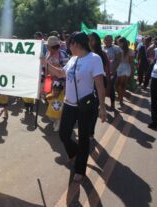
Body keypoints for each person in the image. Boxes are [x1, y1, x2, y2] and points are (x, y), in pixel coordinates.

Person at [46, 32, 106, 182]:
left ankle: (80, 169)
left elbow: (99, 84)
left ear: (76, 44)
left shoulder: (94, 59)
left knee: (84, 139)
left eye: (69, 44)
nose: (67, 47)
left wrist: (102, 107)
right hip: (69, 104)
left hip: (85, 106)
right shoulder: (72, 59)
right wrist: (45, 64)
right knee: (64, 134)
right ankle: (75, 153)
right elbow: (61, 73)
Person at [89, 32, 110, 139]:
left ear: (97, 41)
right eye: (89, 39)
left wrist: (107, 85)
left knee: (93, 110)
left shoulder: (101, 54)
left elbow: (106, 70)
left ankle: (91, 132)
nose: (90, 42)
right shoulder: (84, 53)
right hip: (86, 85)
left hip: (98, 85)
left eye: (93, 39)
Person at [103, 35, 122, 110]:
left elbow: (118, 60)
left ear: (112, 40)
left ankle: (112, 104)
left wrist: (113, 70)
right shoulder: (101, 47)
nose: (108, 41)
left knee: (110, 88)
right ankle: (102, 102)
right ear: (104, 40)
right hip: (102, 72)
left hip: (111, 72)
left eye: (110, 40)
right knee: (102, 87)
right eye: (106, 39)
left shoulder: (116, 48)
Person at [115, 37, 134, 106]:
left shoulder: (129, 50)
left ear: (122, 43)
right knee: (119, 85)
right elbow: (131, 62)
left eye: (118, 42)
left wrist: (132, 71)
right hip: (122, 67)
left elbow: (131, 62)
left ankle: (121, 99)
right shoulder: (117, 49)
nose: (117, 44)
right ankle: (121, 97)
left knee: (121, 85)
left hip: (123, 67)